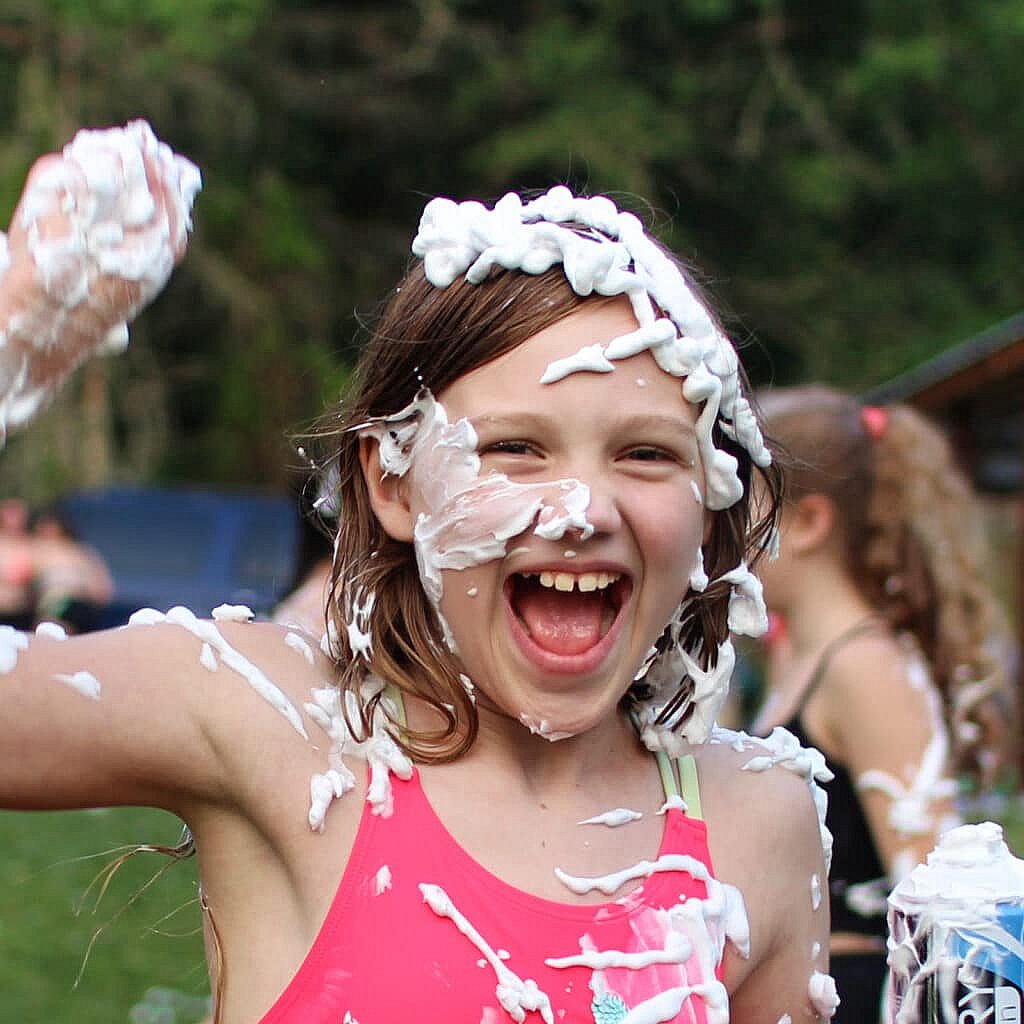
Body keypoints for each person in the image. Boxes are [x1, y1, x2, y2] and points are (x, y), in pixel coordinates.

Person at [1, 126, 837, 1023]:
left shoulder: (764, 821)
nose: (584, 508)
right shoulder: (273, 729)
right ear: (393, 485)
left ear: (710, 503)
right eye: (515, 449)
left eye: (644, 455)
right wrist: (13, 336)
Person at [751, 385, 1017, 1023]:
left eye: (739, 505)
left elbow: (945, 908)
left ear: (809, 524)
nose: (714, 527)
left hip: (866, 998)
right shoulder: (798, 660)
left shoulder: (866, 667)